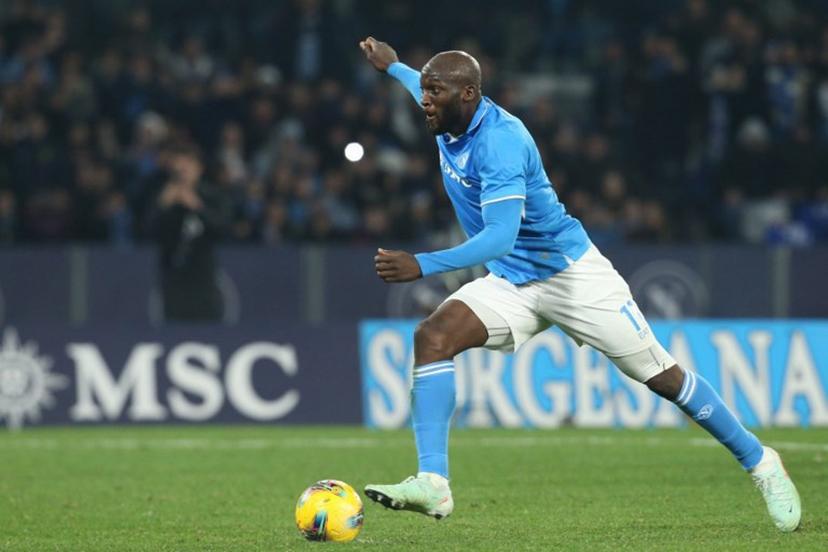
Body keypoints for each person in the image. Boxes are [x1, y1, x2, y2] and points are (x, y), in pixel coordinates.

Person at [358, 37, 802, 532]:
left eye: (433, 92)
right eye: (423, 90)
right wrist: (394, 67)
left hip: (571, 276)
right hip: (513, 283)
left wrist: (422, 263)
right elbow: (421, 82)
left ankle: (762, 462)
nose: (424, 99)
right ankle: (433, 483)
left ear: (467, 96)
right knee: (432, 338)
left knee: (663, 377)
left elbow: (500, 237)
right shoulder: (446, 110)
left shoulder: (501, 143)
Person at [149, 144, 228, 322]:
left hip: (204, 279)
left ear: (198, 169)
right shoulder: (164, 198)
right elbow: (148, 231)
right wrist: (163, 205)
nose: (183, 174)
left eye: (187, 168)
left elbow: (222, 229)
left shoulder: (211, 196)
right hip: (173, 279)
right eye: (178, 170)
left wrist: (197, 206)